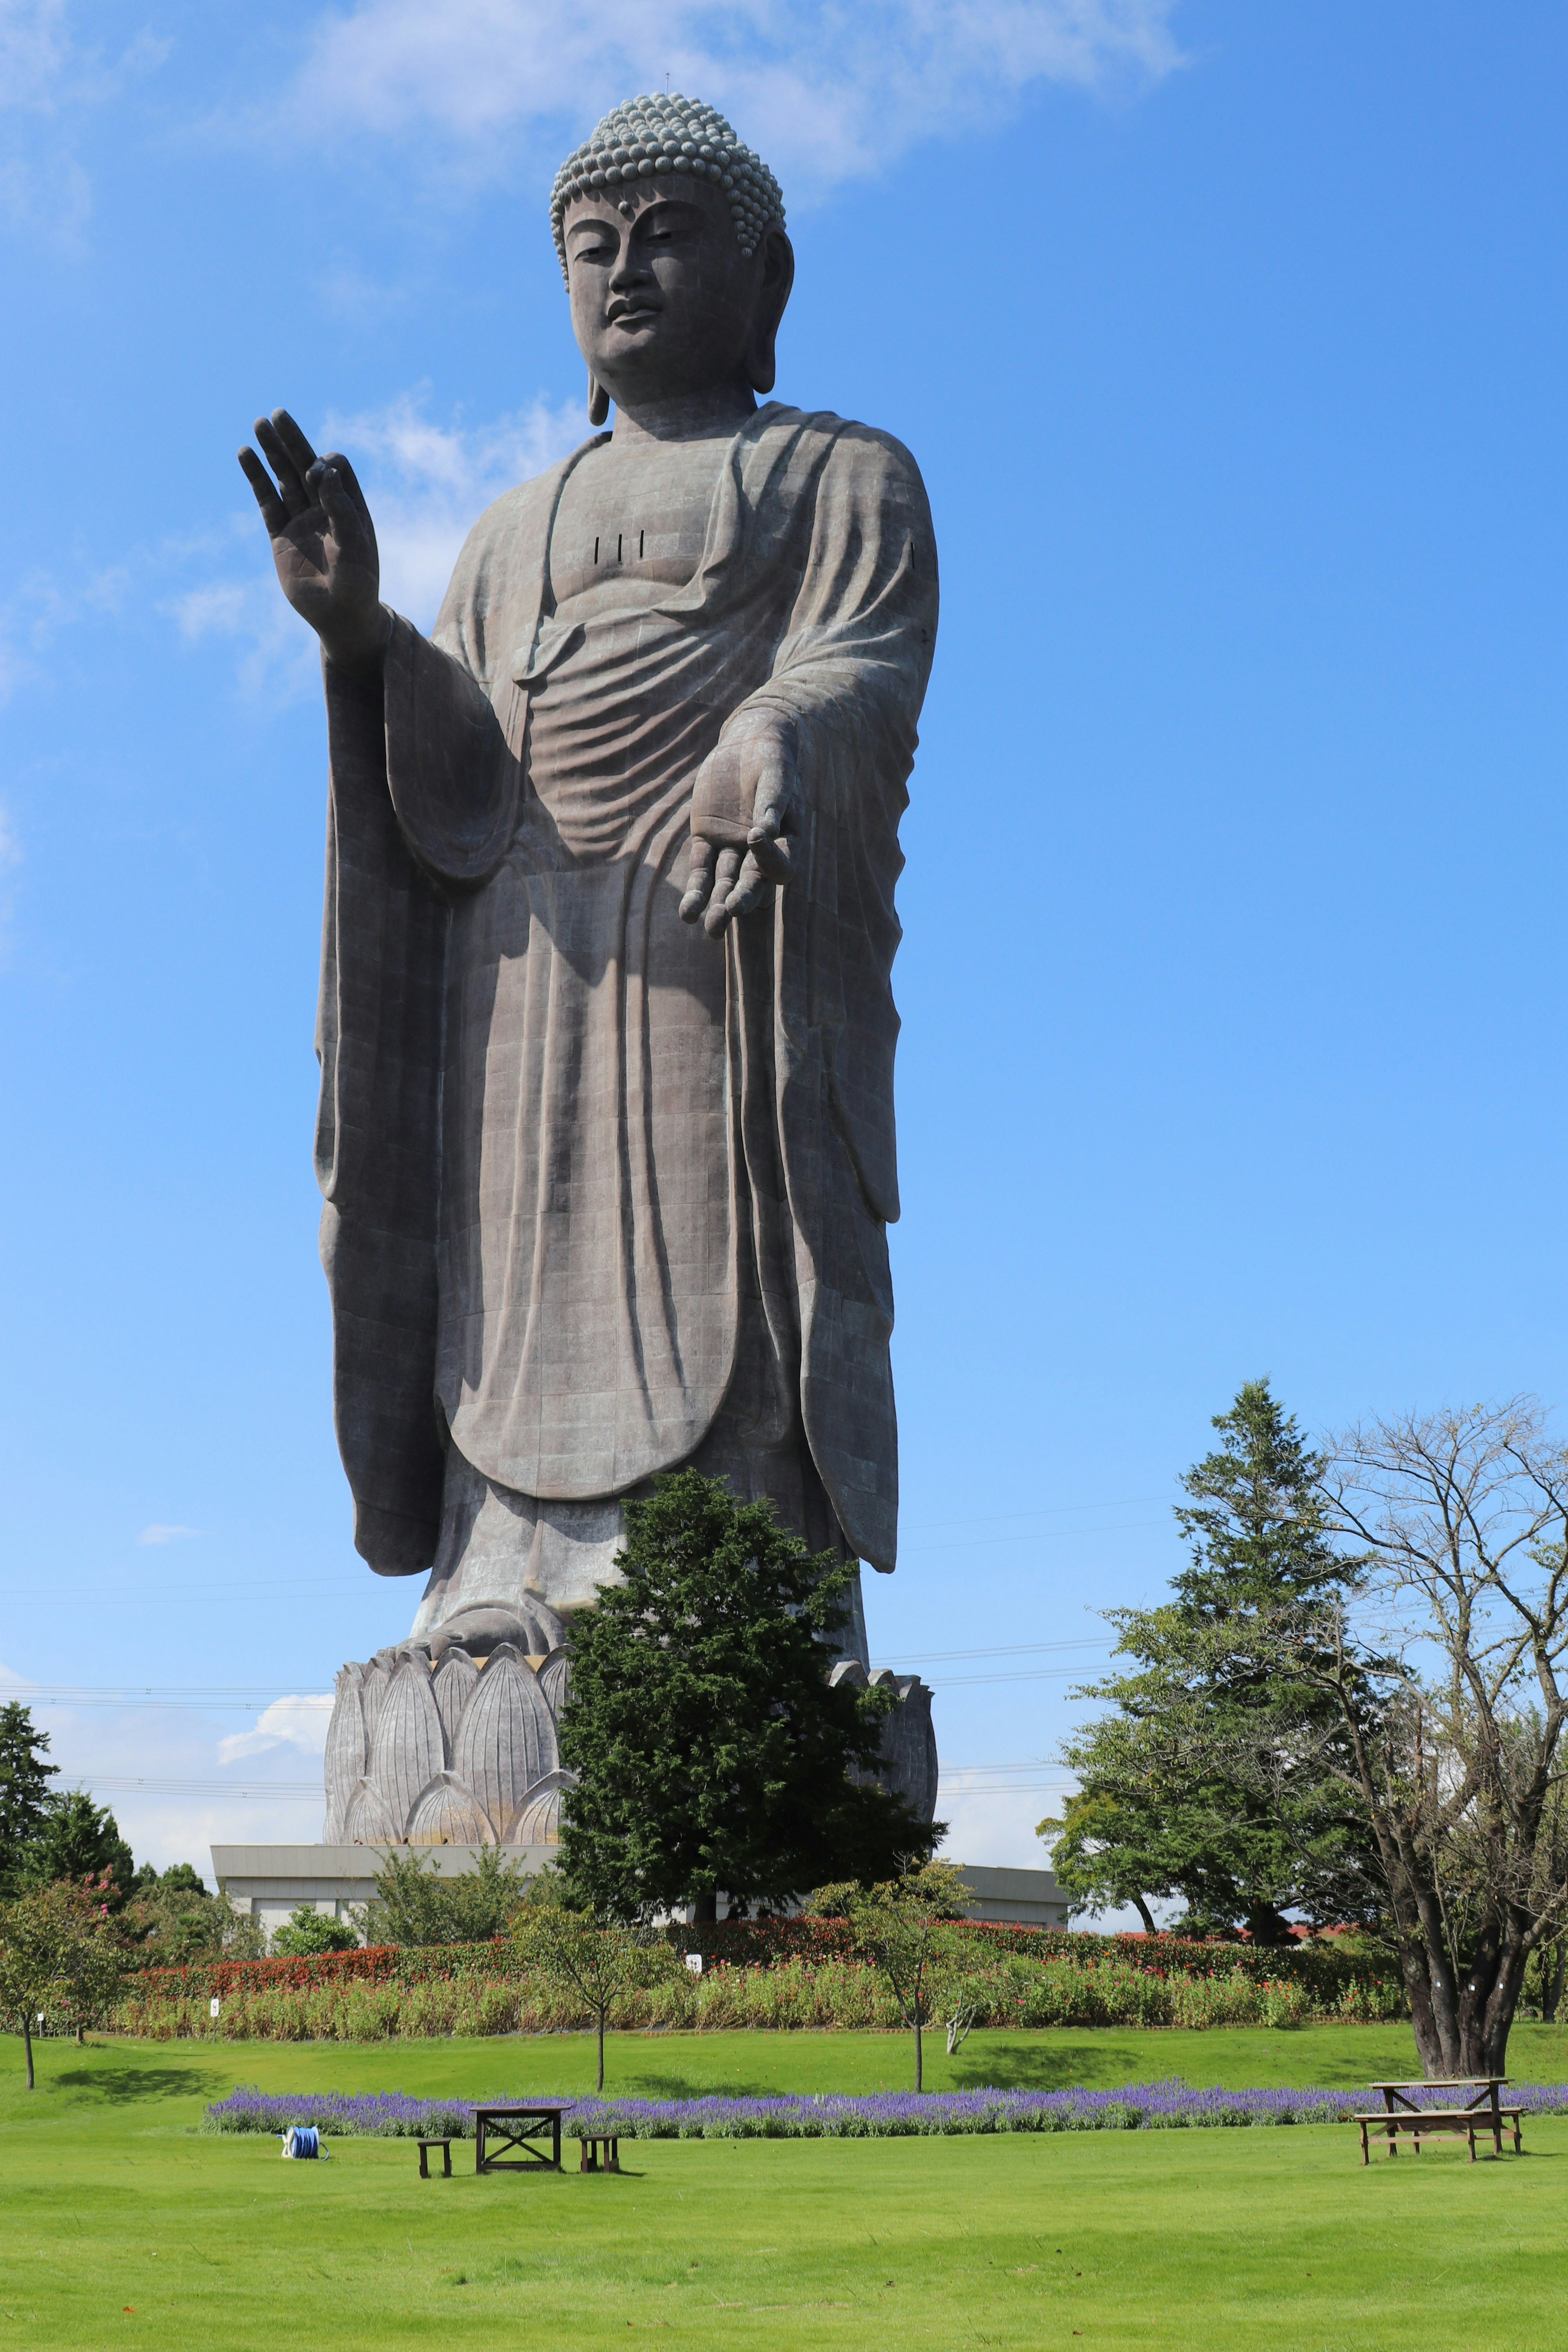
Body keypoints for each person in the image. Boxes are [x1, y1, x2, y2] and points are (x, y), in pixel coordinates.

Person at [239, 94, 939, 1670]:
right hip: (519, 964)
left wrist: (767, 728)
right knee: (508, 1253)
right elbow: (467, 772)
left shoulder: (841, 475)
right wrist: (361, 637)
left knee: (721, 1238)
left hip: (715, 937)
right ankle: (495, 1570)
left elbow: (866, 662)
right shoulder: (504, 533)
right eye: (592, 247)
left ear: (768, 285)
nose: (626, 271)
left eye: (670, 235)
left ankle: (744, 1582)